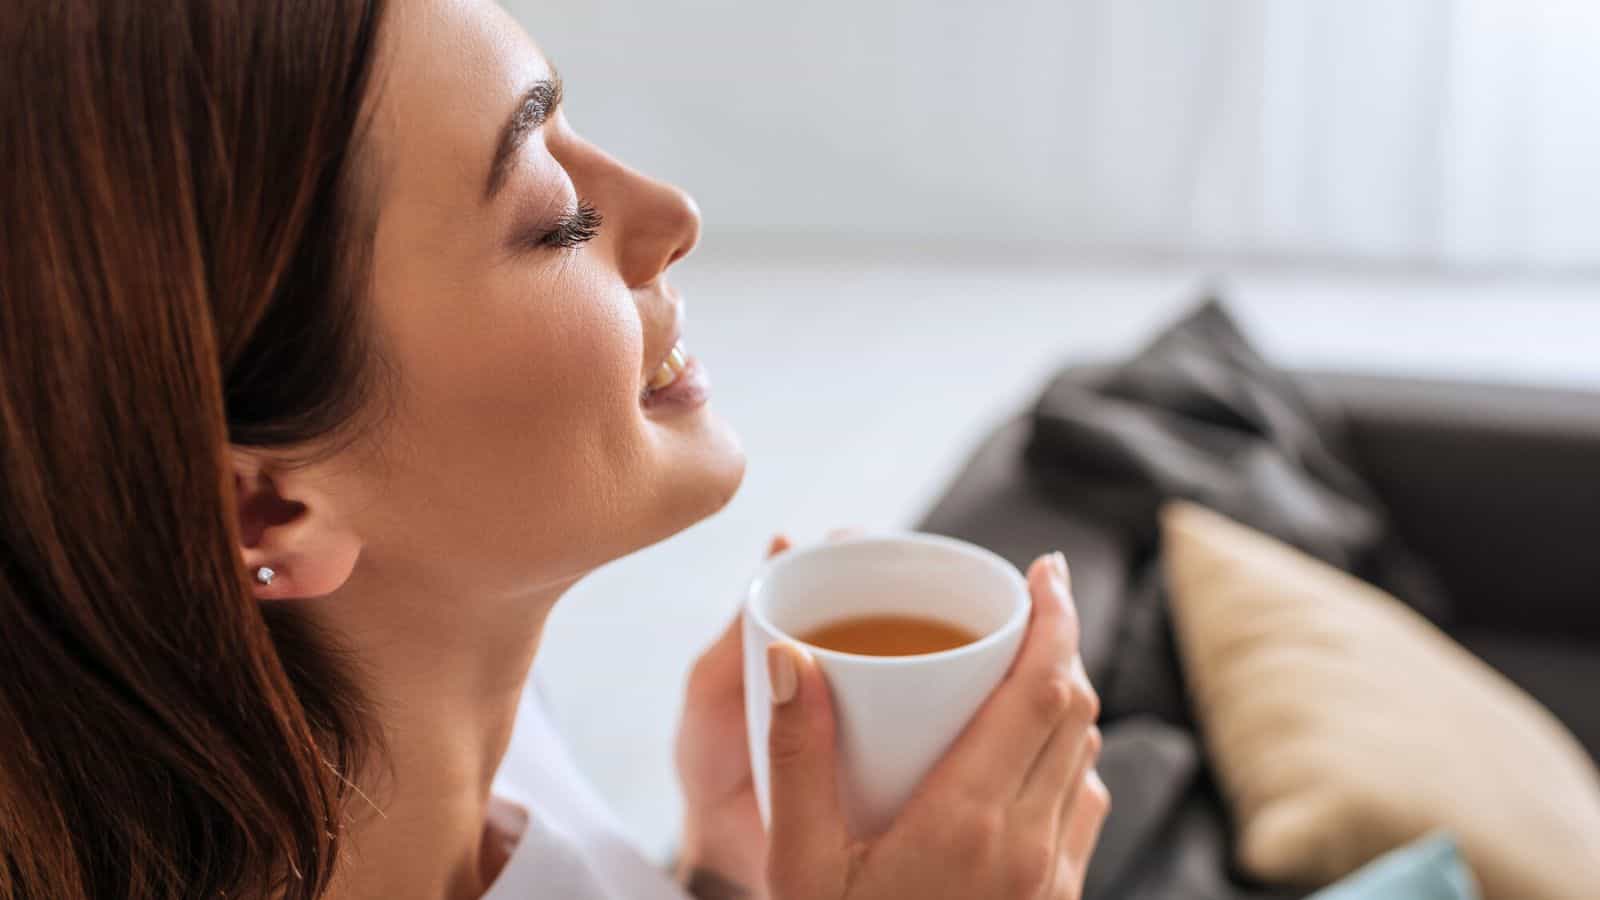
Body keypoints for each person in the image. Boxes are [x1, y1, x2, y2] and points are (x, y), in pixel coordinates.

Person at [0, 1, 1108, 898]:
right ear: (267, 514)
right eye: (552, 218)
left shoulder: (423, 729)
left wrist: (721, 876)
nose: (673, 213)